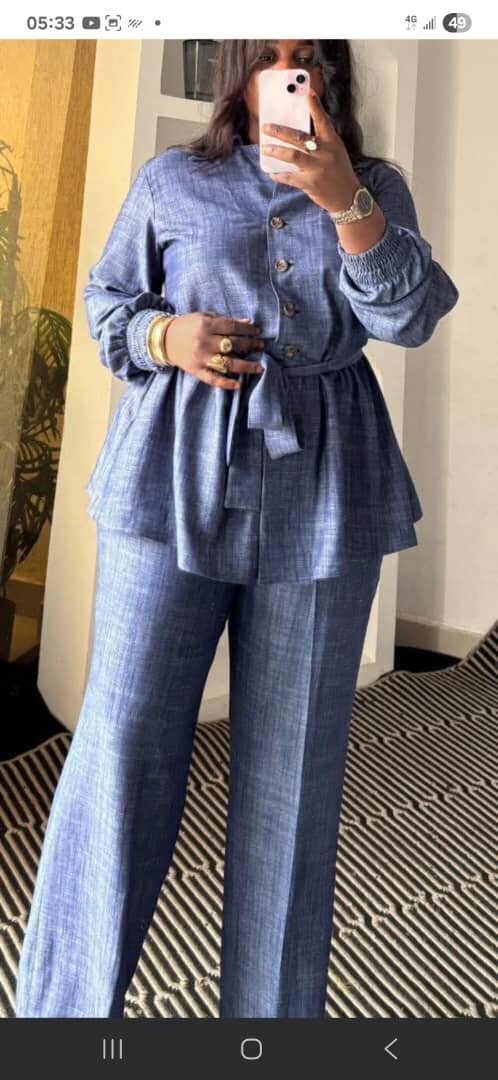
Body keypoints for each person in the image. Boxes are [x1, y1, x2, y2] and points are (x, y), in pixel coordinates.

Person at [15, 39, 459, 1019]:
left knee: (295, 778)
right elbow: (106, 303)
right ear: (238, 73)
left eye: (309, 58)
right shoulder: (173, 178)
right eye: (271, 57)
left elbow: (411, 316)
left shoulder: (375, 186)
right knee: (122, 749)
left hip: (325, 487)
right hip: (168, 476)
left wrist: (344, 198)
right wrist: (164, 335)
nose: (292, 73)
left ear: (331, 75)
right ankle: (61, 1022)